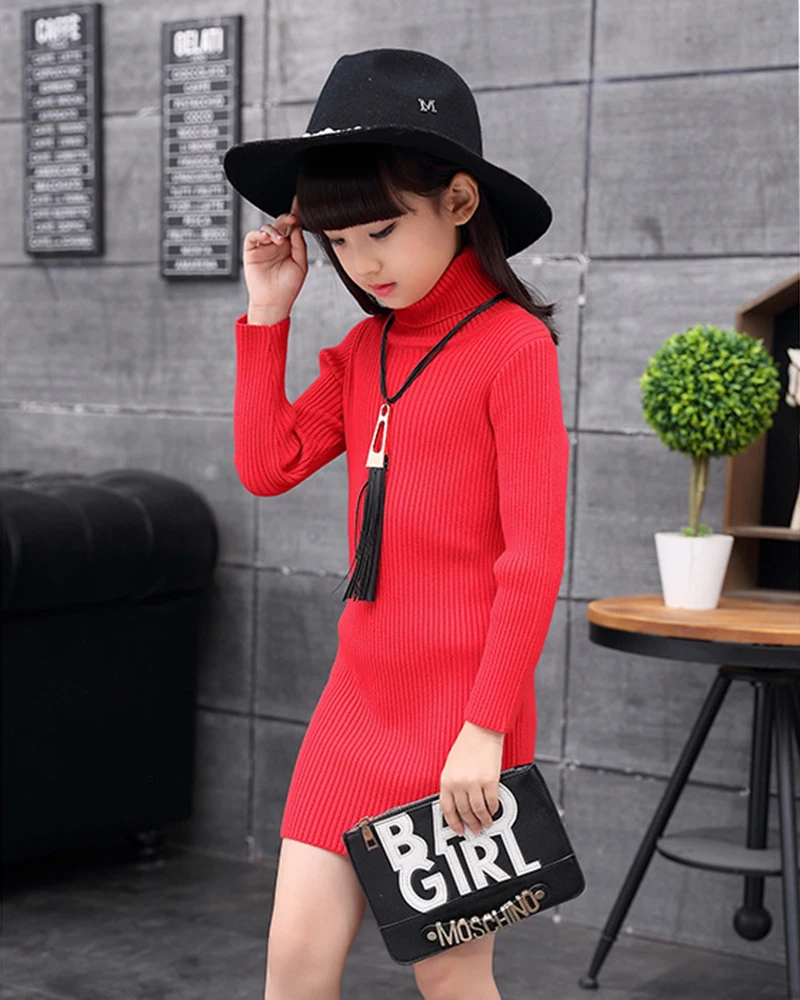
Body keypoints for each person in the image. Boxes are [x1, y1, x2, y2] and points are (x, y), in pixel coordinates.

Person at [224, 48, 570, 1000]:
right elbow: (267, 466)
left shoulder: (514, 349)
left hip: (466, 716)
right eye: (339, 241)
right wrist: (268, 314)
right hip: (358, 701)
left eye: (381, 229)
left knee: (451, 980)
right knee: (294, 964)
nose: (362, 262)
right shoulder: (363, 348)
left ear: (459, 201)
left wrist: (484, 729)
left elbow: (533, 559)